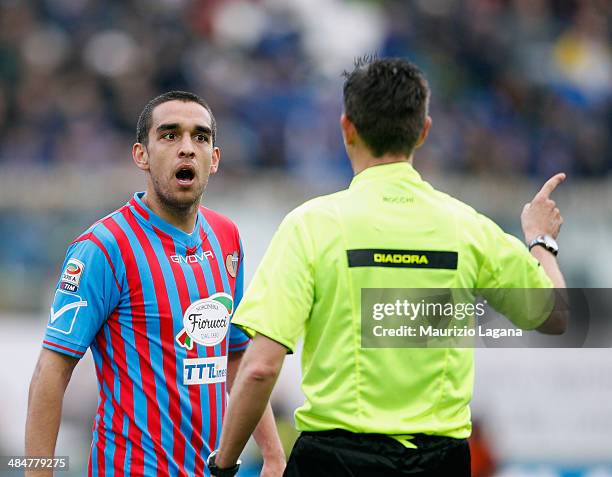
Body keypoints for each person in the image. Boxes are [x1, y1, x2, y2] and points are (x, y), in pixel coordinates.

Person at [208, 58, 568, 476]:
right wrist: (542, 240)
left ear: (347, 127)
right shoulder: (467, 227)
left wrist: (224, 464)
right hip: (440, 462)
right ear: (424, 130)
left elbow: (259, 368)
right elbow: (556, 316)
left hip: (333, 460)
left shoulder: (312, 225)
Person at [25, 91, 286, 477]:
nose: (186, 148)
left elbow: (236, 357)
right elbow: (52, 369)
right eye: (169, 135)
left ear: (214, 159)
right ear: (141, 155)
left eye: (200, 137)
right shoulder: (103, 247)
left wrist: (273, 454)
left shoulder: (227, 237)